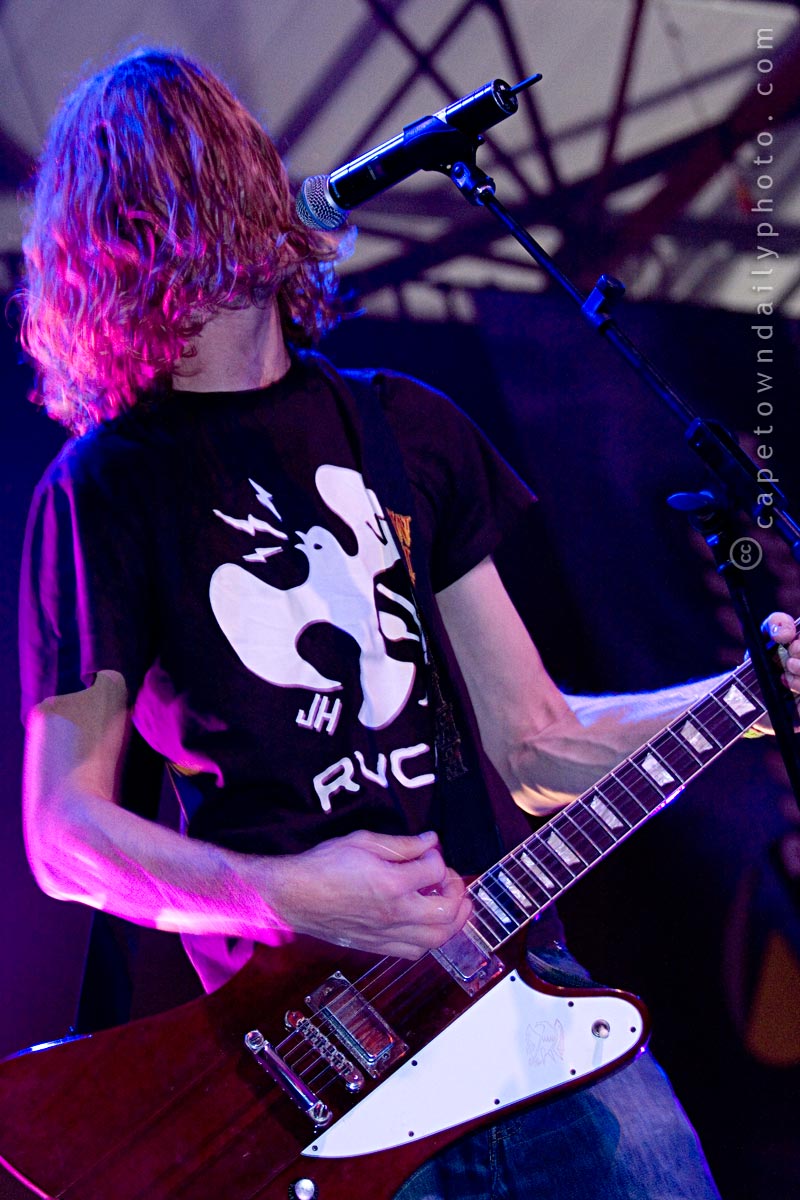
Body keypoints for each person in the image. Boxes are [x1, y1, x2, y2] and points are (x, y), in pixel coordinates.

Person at [16, 48, 799, 1200]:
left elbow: (535, 747)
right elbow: (63, 835)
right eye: (181, 171)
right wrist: (277, 889)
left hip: (522, 995)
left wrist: (746, 702)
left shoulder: (406, 427)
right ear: (121, 234)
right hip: (307, 1064)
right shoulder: (103, 490)